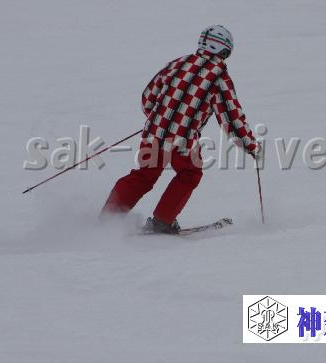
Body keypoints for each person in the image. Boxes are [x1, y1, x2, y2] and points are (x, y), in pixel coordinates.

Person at [100, 25, 260, 234]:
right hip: (182, 141)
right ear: (223, 50)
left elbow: (148, 96)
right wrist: (250, 145)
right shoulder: (219, 78)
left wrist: (160, 119)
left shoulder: (178, 63)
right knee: (190, 173)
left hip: (154, 133)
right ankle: (162, 221)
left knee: (144, 175)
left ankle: (108, 218)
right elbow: (231, 119)